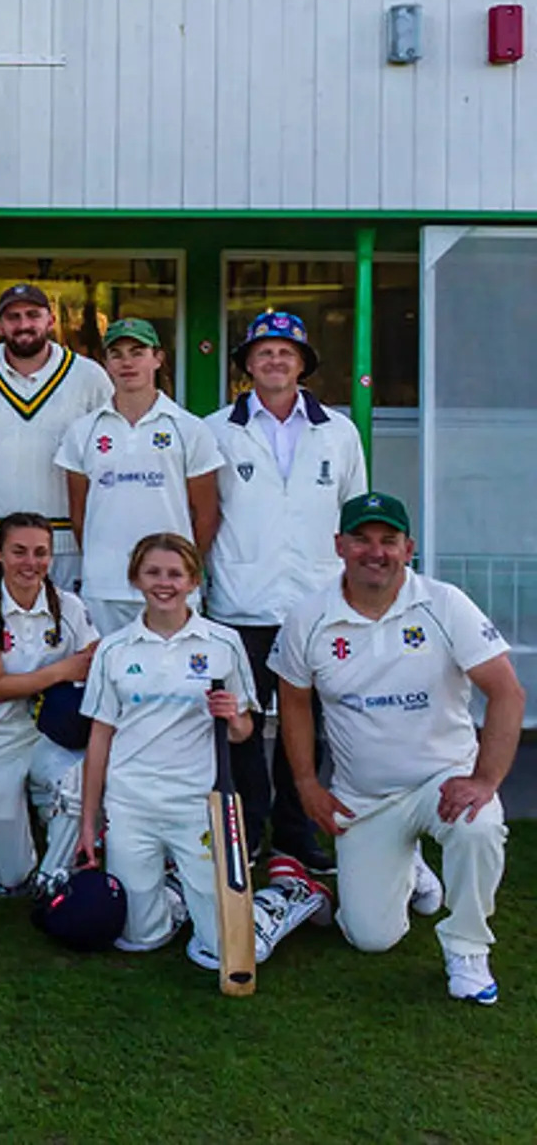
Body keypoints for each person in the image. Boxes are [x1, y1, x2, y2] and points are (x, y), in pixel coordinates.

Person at [272, 492, 524, 1005]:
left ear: (408, 547)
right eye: (361, 539)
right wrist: (306, 785)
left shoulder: (444, 603)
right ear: (339, 545)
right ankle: (409, 866)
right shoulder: (309, 617)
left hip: (442, 783)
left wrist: (485, 780)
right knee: (370, 937)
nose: (375, 552)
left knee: (478, 824)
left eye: (388, 540)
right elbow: (294, 700)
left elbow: (507, 692)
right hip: (364, 796)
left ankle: (468, 948)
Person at [76, 533, 332, 973]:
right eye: (153, 572)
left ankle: (287, 896)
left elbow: (244, 731)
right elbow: (100, 737)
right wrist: (88, 822)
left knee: (225, 950)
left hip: (198, 804)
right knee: (139, 939)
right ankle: (177, 895)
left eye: (175, 574)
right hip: (131, 803)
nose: (164, 583)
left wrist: (234, 720)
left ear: (194, 580)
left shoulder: (223, 642)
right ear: (136, 578)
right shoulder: (114, 650)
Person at [206, 310, 368, 873]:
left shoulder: (339, 431)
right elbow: (201, 513)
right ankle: (247, 830)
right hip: (238, 602)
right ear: (247, 364)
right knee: (240, 727)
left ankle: (296, 834)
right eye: (263, 352)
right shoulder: (214, 428)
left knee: (309, 728)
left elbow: (353, 518)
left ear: (303, 364)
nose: (275, 361)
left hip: (314, 606)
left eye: (286, 352)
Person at [0, 512, 99, 898]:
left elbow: (95, 660)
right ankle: (1, 851)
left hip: (46, 735)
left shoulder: (70, 606)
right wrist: (64, 670)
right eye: (19, 551)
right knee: (9, 877)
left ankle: (54, 875)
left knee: (79, 780)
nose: (30, 563)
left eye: (40, 553)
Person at [55, 317, 223, 635]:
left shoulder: (189, 428)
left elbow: (206, 514)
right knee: (106, 677)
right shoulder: (83, 431)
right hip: (104, 587)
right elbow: (79, 514)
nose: (127, 362)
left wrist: (181, 569)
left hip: (171, 586)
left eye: (137, 351)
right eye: (116, 354)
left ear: (157, 358)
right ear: (105, 362)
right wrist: (102, 561)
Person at [0, 283, 113, 591]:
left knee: (66, 631)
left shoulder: (90, 377)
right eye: (13, 316)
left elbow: (106, 457)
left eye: (33, 315)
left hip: (66, 539)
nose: (24, 325)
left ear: (50, 321)